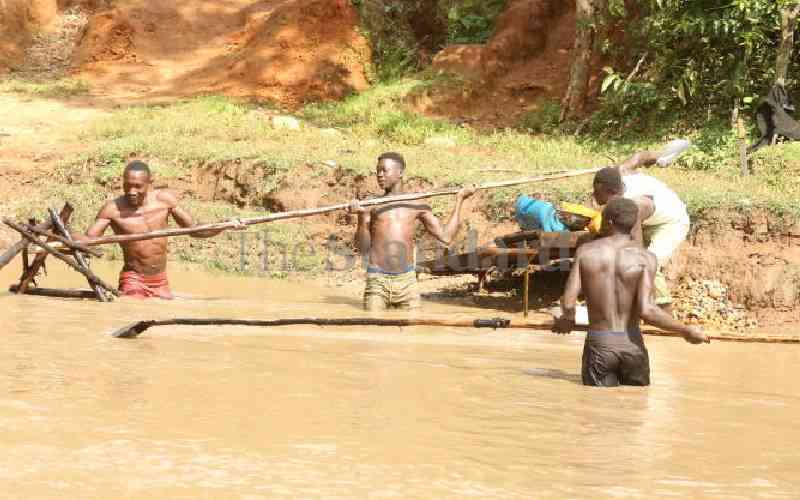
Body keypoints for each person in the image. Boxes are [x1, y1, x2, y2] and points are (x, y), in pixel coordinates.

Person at [553, 198, 708, 387]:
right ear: (634, 223)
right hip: (633, 349)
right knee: (637, 402)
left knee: (597, 403)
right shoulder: (646, 258)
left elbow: (569, 302)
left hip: (600, 346)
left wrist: (567, 319)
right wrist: (685, 330)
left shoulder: (586, 252)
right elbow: (648, 310)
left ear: (608, 221)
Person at [76, 160, 233, 299]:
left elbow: (195, 230)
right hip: (134, 280)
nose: (131, 192)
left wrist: (224, 225)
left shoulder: (164, 201)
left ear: (149, 184)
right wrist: (67, 236)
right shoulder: (112, 210)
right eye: (127, 186)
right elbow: (89, 241)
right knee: (132, 307)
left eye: (138, 186)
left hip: (160, 281)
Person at [349, 152, 475, 311]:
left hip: (407, 283)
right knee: (373, 322)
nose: (379, 175)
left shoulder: (416, 204)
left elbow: (446, 237)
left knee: (413, 324)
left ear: (400, 173)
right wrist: (361, 217)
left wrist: (460, 200)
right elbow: (362, 248)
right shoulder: (371, 205)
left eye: (384, 170)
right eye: (377, 171)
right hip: (377, 281)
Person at [592, 163, 690, 314]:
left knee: (648, 262)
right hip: (650, 219)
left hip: (672, 223)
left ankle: (664, 310)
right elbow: (639, 157)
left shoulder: (635, 206)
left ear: (611, 192)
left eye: (597, 193)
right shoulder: (619, 179)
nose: (594, 195)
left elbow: (637, 249)